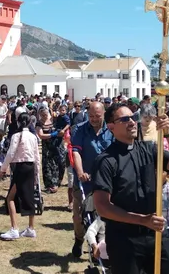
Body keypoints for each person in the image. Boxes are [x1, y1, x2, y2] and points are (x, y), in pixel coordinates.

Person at [92, 102, 169, 273]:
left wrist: (168, 134)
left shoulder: (149, 149)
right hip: (124, 239)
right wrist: (142, 219)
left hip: (155, 234)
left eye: (133, 117)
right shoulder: (106, 161)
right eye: (125, 119)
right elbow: (102, 207)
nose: (132, 122)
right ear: (111, 127)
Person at [70, 101, 113, 258]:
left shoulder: (111, 130)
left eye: (97, 116)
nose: (94, 119)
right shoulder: (80, 129)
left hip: (105, 181)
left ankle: (98, 248)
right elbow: (76, 152)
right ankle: (78, 239)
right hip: (84, 181)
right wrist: (80, 172)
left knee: (102, 217)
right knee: (79, 215)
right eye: (91, 116)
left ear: (104, 114)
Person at [0, 113, 41, 240]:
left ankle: (14, 228)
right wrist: (37, 173)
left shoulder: (16, 136)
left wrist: (3, 168)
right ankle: (31, 228)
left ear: (18, 122)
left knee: (10, 198)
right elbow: (37, 156)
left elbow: (11, 153)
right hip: (31, 167)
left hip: (20, 167)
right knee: (30, 197)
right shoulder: (33, 136)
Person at [36, 107, 68, 194]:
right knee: (48, 165)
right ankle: (50, 185)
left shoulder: (55, 119)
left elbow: (66, 124)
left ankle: (58, 181)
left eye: (45, 114)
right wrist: (53, 134)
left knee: (61, 162)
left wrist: (62, 131)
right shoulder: (39, 123)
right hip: (47, 147)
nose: (44, 116)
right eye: (42, 115)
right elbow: (41, 135)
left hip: (58, 145)